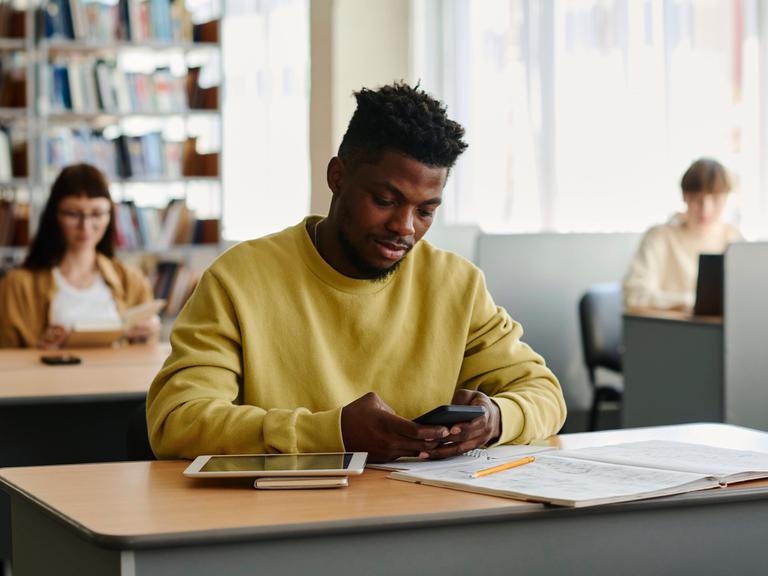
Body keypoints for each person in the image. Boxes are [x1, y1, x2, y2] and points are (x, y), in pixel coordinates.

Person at [147, 82, 566, 462]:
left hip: (422, 517)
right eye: (385, 199)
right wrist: (334, 433)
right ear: (337, 177)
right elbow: (177, 421)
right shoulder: (239, 279)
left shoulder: (456, 284)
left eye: (424, 211)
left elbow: (545, 394)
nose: (405, 227)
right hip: (279, 523)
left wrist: (496, 418)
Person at [0, 163, 160, 348]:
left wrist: (148, 335)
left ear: (110, 216)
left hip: (118, 376)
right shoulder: (17, 285)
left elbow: (145, 357)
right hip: (49, 377)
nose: (85, 226)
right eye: (73, 214)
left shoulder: (132, 280)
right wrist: (39, 351)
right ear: (55, 215)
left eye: (97, 213)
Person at [623, 158, 743, 311]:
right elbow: (634, 295)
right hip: (673, 329)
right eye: (697, 199)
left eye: (716, 200)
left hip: (723, 330)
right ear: (685, 196)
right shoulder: (659, 237)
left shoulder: (733, 238)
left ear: (726, 198)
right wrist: (692, 301)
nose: (706, 209)